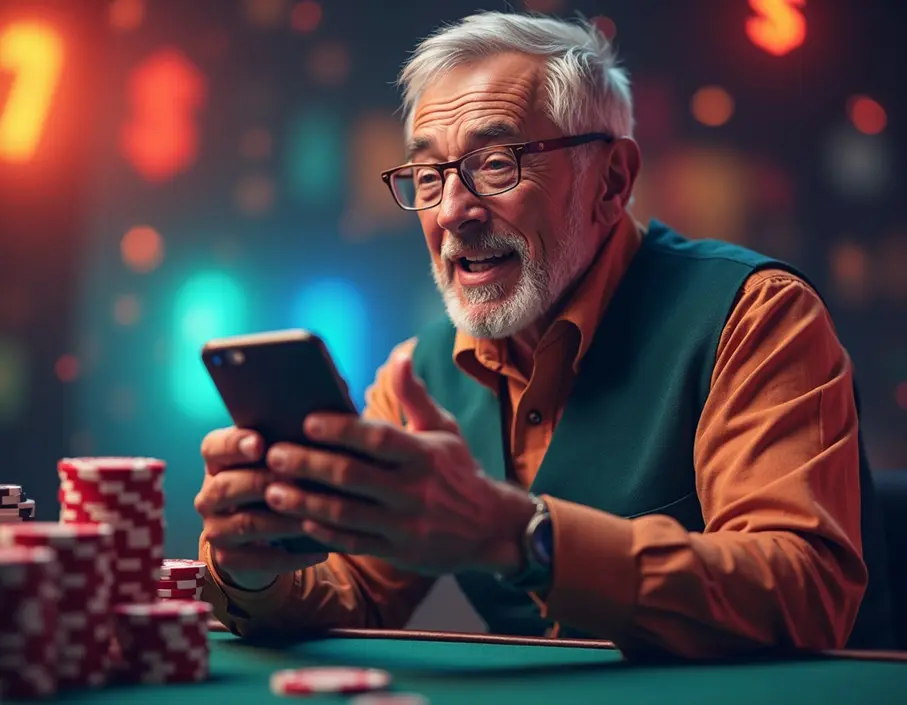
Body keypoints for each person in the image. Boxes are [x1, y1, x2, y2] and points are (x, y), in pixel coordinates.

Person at [195, 11, 893, 658]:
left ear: (611, 181)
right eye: (429, 174)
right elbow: (355, 589)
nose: (453, 211)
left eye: (495, 163)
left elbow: (807, 593)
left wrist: (521, 536)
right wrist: (254, 570)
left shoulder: (755, 315)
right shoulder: (421, 372)